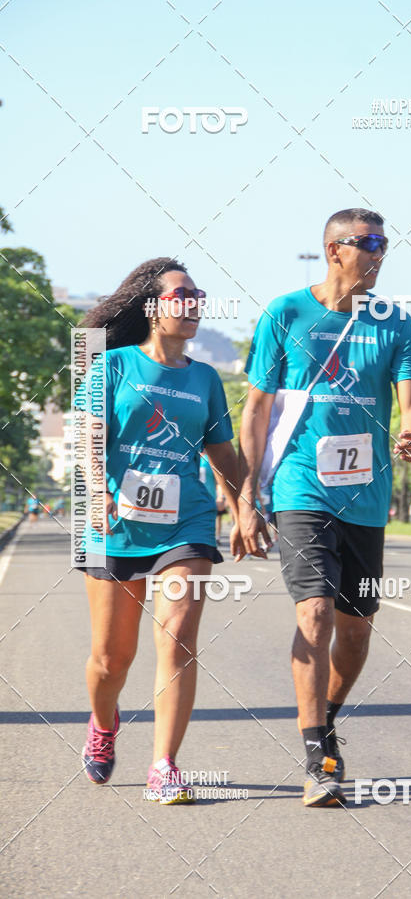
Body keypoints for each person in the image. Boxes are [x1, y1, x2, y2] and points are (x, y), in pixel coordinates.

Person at [238, 208, 411, 807]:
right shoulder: (286, 313)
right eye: (367, 243)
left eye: (384, 244)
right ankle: (317, 754)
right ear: (333, 249)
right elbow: (256, 410)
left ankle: (328, 717)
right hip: (300, 487)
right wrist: (246, 496)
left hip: (365, 495)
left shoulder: (394, 322)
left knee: (355, 629)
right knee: (314, 614)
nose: (378, 253)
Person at [75, 257, 245, 804]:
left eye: (199, 294)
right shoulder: (113, 365)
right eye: (181, 294)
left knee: (178, 637)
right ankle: (103, 725)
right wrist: (97, 489)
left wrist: (244, 510)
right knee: (110, 660)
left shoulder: (205, 379)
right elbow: (86, 436)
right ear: (152, 307)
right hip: (115, 522)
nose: (193, 302)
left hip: (186, 522)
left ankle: (164, 764)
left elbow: (222, 453)